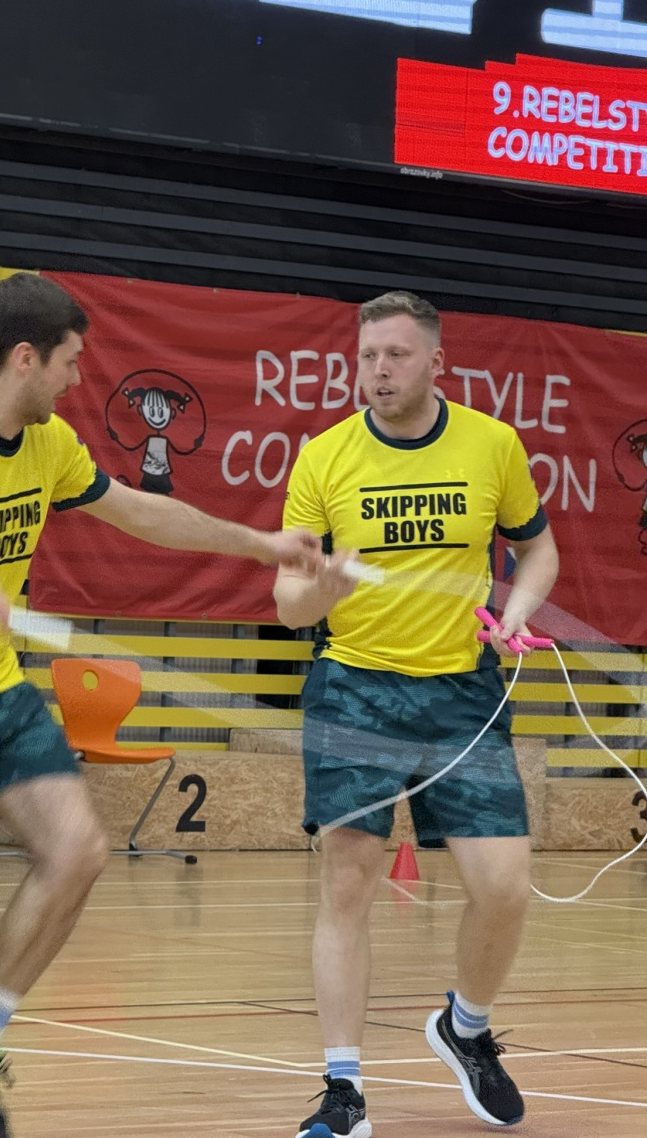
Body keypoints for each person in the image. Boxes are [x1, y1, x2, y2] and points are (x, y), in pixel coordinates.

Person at [0, 271, 321, 1138]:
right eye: (70, 361)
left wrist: (260, 544)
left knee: (79, 851)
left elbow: (140, 511)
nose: (77, 378)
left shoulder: (50, 443)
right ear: (25, 358)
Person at [274, 291, 559, 1138]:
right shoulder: (324, 458)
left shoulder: (492, 445)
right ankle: (343, 1091)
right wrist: (319, 591)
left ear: (437, 362)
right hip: (354, 689)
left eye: (396, 355)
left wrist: (517, 609)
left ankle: (465, 1027)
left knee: (504, 888)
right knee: (348, 884)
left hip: (462, 693)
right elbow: (287, 600)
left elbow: (537, 548)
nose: (378, 370)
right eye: (367, 356)